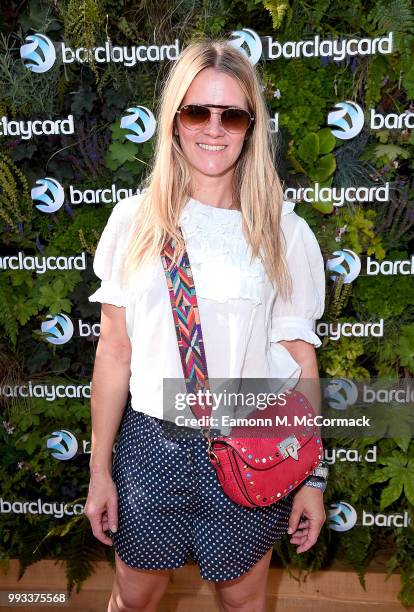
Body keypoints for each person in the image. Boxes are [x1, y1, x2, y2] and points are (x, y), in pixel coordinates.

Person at [84, 37, 327, 612]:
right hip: (150, 446)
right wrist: (99, 470)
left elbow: (300, 365)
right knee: (133, 598)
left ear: (250, 127)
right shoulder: (134, 223)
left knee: (243, 602)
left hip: (247, 444)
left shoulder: (283, 232)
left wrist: (312, 479)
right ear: (173, 121)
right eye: (197, 111)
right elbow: (113, 352)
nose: (212, 129)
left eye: (231, 115)